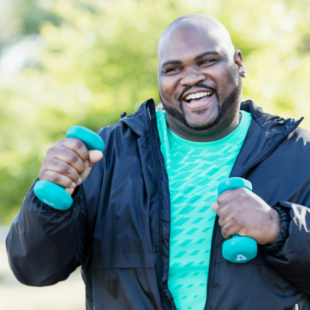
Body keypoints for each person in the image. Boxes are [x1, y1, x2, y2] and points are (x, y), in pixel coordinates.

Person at [6, 13, 310, 310]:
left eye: (207, 61)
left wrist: (276, 226)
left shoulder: (298, 153)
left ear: (238, 63)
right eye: (173, 69)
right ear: (160, 78)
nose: (191, 78)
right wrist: (50, 198)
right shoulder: (106, 155)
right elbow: (35, 269)